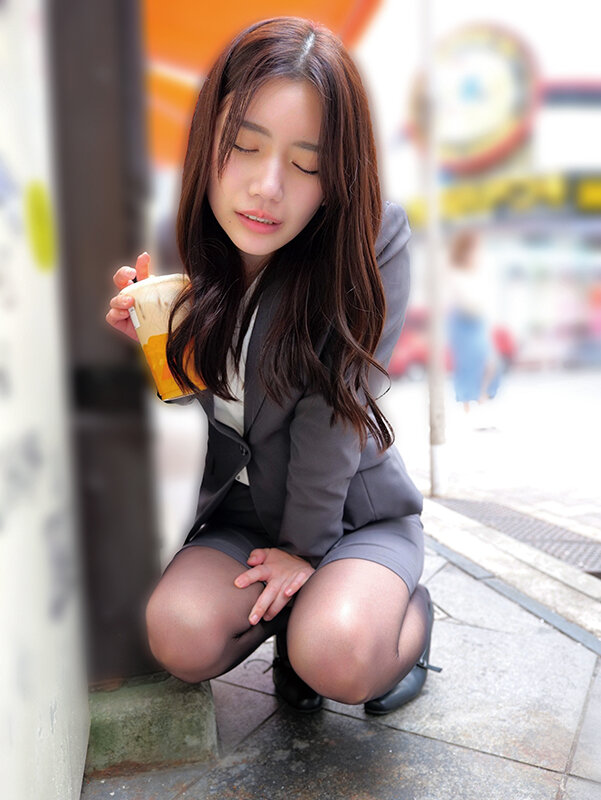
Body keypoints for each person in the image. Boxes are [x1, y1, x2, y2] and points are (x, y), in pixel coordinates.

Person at [106, 17, 439, 715]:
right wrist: (152, 344)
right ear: (210, 137)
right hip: (243, 512)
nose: (266, 186)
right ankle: (296, 623)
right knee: (179, 635)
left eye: (306, 164)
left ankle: (403, 622)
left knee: (337, 655)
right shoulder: (183, 236)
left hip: (348, 512)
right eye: (244, 146)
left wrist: (305, 552)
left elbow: (335, 409)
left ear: (337, 175)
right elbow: (204, 404)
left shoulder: (368, 238)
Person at [447, 230, 501, 426]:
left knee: (490, 364)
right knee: (471, 367)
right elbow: (466, 302)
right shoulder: (456, 275)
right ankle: (469, 409)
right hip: (465, 324)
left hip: (477, 323)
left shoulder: (476, 273)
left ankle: (479, 404)